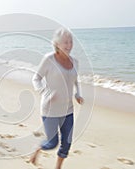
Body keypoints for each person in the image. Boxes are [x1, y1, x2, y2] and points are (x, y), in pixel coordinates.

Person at [30, 27, 84, 169]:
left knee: (67, 143)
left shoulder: (75, 62)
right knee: (52, 143)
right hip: (50, 109)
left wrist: (78, 94)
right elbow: (36, 78)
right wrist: (44, 92)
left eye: (71, 42)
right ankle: (37, 149)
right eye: (65, 42)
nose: (69, 45)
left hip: (68, 110)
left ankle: (58, 167)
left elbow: (75, 80)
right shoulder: (49, 59)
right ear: (57, 44)